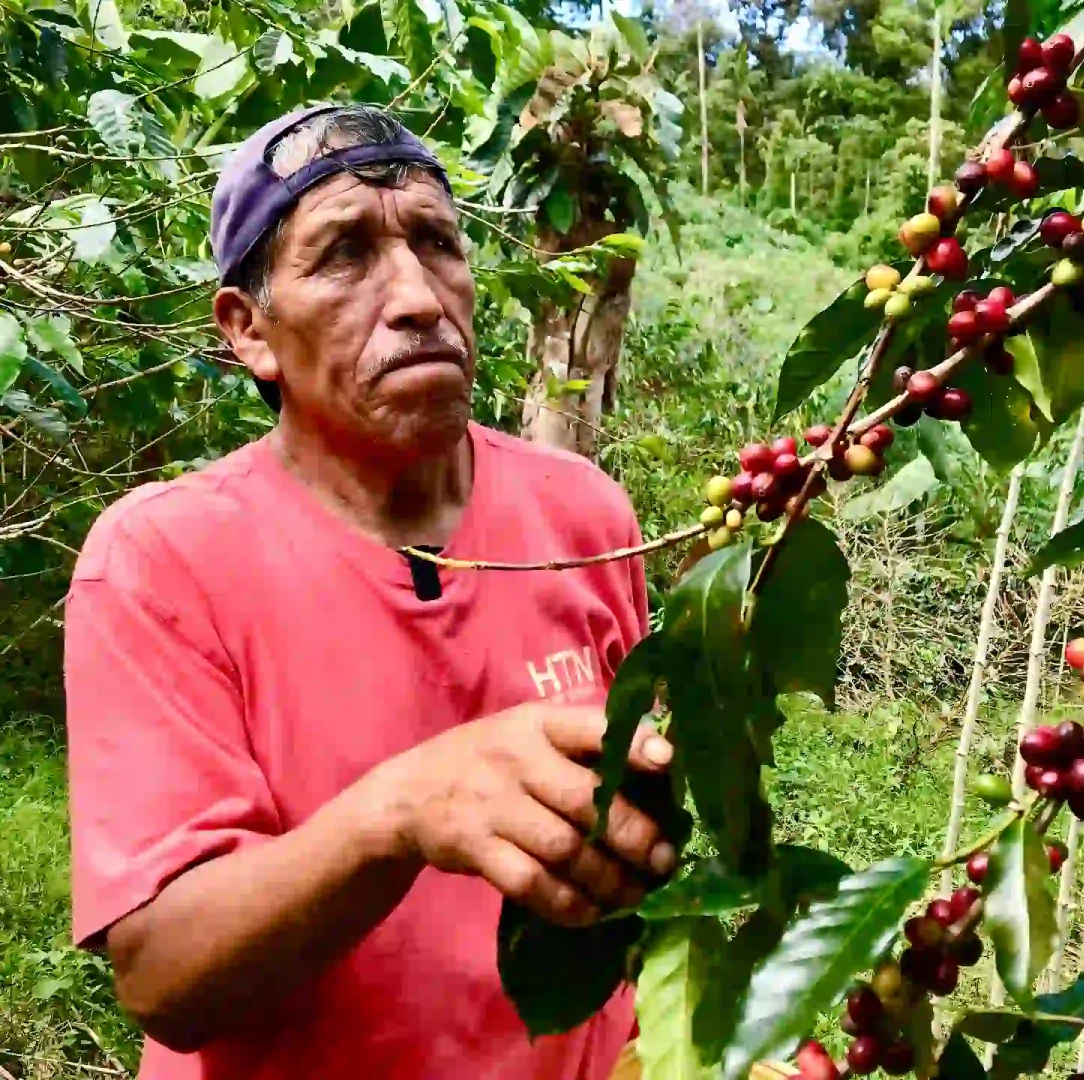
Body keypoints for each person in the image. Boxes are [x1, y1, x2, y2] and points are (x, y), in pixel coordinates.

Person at [63, 103, 672, 1080]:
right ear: (248, 331)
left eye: (438, 243)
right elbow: (162, 972)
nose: (418, 297)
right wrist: (397, 814)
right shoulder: (162, 560)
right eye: (344, 254)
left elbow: (632, 848)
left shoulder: (584, 514)